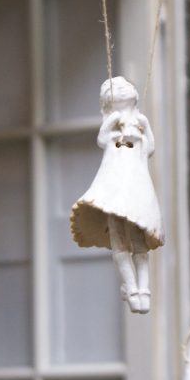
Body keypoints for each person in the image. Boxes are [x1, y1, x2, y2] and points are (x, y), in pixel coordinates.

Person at [70, 77, 164, 313]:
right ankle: (131, 288)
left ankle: (143, 289)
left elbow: (150, 148)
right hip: (114, 184)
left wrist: (146, 127)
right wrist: (111, 123)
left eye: (126, 87)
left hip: (136, 184)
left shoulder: (140, 121)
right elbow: (102, 140)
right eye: (116, 89)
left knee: (139, 239)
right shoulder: (112, 120)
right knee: (119, 240)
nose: (123, 90)